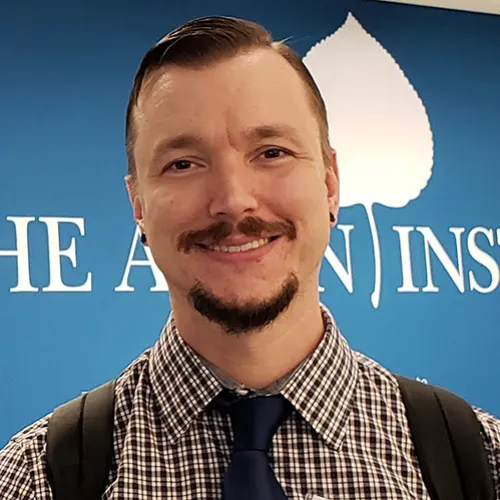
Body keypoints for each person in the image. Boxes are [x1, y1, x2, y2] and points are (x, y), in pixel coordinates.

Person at [1, 15, 499, 500]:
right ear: (138, 207)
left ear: (329, 184)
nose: (234, 199)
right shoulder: (34, 477)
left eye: (272, 152)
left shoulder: (477, 458)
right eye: (183, 164)